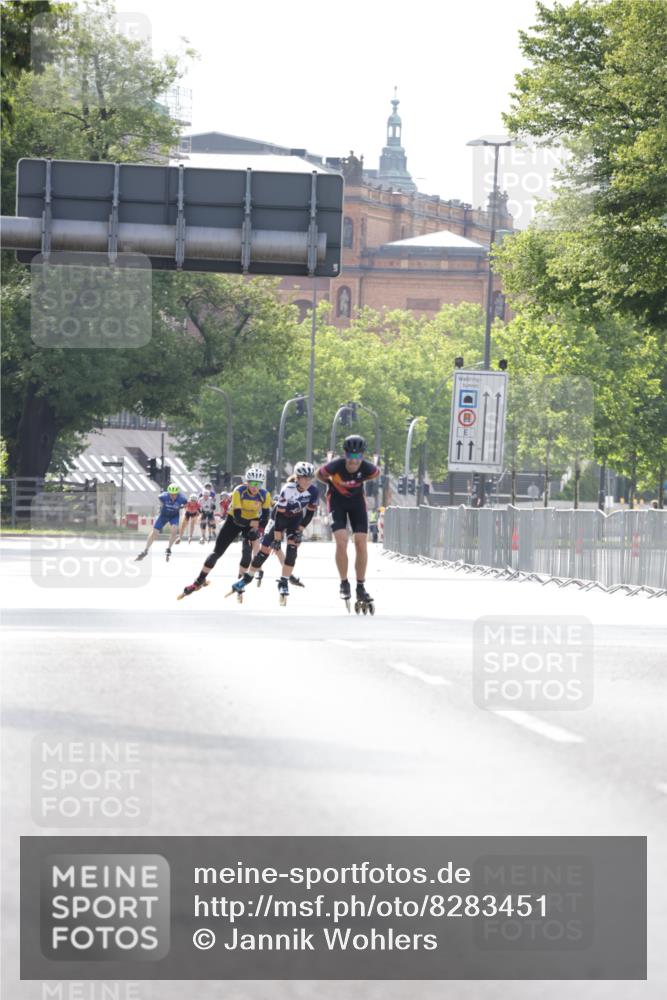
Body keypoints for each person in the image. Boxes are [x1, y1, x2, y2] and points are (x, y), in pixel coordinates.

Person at [177, 467, 271, 599]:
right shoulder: (239, 491)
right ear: (247, 482)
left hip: (251, 522)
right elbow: (238, 517)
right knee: (216, 553)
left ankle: (241, 583)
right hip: (233, 521)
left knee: (246, 554)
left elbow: (265, 518)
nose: (256, 487)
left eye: (259, 484)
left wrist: (259, 530)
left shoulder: (265, 494)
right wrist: (254, 524)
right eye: (253, 483)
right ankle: (199, 581)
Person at [230, 462, 317, 602]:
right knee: (264, 551)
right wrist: (277, 538)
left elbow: (310, 514)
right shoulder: (288, 489)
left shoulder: (313, 491)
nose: (308, 481)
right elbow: (280, 517)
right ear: (297, 477)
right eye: (304, 477)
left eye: (310, 478)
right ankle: (248, 577)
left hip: (296, 519)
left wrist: (300, 530)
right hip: (278, 518)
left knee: (292, 550)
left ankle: (284, 582)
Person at [316, 435, 380, 606]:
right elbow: (319, 474)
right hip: (337, 502)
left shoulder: (368, 468)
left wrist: (359, 481)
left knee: (361, 542)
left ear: (362, 456)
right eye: (350, 457)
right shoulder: (335, 465)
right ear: (345, 456)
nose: (353, 461)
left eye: (358, 457)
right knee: (342, 541)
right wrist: (330, 482)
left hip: (357, 503)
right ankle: (344, 582)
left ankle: (360, 585)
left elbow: (375, 474)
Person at [135, 483, 187, 562]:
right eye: (171, 494)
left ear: (178, 494)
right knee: (155, 532)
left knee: (174, 530)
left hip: (174, 516)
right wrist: (162, 505)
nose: (173, 496)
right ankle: (145, 550)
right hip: (163, 516)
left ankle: (169, 548)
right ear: (168, 493)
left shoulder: (182, 499)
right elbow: (159, 498)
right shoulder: (164, 496)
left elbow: (186, 504)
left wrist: (183, 507)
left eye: (175, 495)